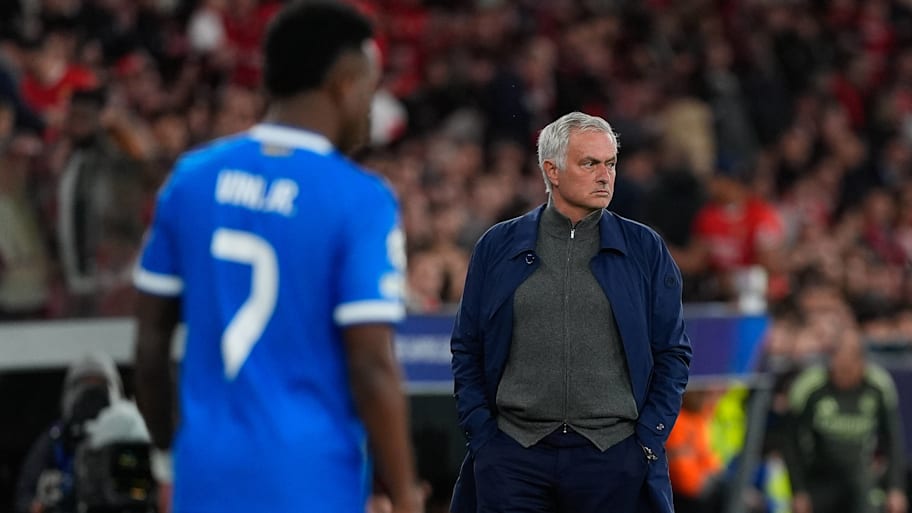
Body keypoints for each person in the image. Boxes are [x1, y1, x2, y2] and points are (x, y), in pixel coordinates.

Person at [132, 3, 421, 513]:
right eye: (370, 89)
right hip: (310, 480)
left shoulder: (191, 180)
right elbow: (372, 365)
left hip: (205, 476)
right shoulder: (360, 199)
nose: (371, 108)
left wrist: (167, 455)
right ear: (345, 82)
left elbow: (151, 345)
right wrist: (403, 495)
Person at [450, 111, 693, 513]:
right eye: (590, 163)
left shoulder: (645, 248)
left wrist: (648, 440)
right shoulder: (497, 245)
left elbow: (673, 353)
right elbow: (467, 346)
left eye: (611, 163)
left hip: (613, 456)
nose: (605, 175)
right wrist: (483, 436)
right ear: (552, 170)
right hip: (513, 456)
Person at [784, 322, 907, 513]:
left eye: (848, 362)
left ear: (860, 361)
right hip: (819, 477)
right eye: (836, 358)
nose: (841, 368)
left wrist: (895, 488)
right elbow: (791, 443)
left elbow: (893, 441)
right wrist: (798, 490)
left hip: (861, 477)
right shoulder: (810, 387)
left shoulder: (878, 386)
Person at [15, 352, 124, 513]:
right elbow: (25, 496)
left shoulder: (129, 437)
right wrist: (43, 501)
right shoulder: (57, 438)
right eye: (85, 384)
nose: (92, 394)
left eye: (99, 384)